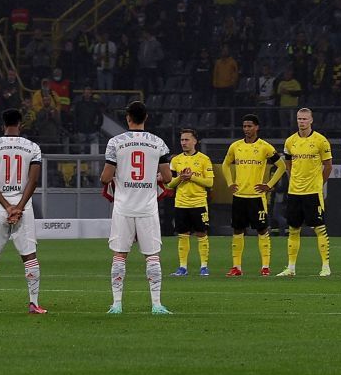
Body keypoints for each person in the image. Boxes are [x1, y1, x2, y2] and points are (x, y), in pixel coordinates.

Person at [101, 100, 172, 314]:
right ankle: (157, 304)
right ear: (146, 118)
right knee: (152, 256)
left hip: (123, 207)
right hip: (147, 207)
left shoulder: (115, 142)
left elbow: (106, 177)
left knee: (120, 255)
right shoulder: (158, 143)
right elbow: (167, 177)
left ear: (127, 118)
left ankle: (117, 304)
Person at [0, 107, 46, 313]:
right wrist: (19, 207)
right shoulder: (33, 147)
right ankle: (34, 303)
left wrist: (7, 206)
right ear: (21, 125)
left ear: (3, 125)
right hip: (23, 207)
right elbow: (33, 181)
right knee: (30, 256)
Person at [265, 107, 332, 277]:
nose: (301, 122)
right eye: (299, 119)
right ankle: (291, 268)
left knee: (319, 228)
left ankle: (325, 266)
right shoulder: (290, 142)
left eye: (304, 119)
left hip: (313, 192)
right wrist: (294, 178)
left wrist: (319, 182)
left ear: (311, 121)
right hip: (294, 192)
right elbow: (288, 164)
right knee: (293, 229)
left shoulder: (320, 141)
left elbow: (328, 165)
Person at [220, 114, 277, 276]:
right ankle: (236, 267)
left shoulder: (265, 147)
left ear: (257, 127)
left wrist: (269, 185)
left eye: (250, 126)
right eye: (244, 126)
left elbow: (280, 166)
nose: (246, 129)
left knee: (262, 230)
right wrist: (230, 183)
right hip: (239, 197)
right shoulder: (236, 146)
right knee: (237, 231)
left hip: (256, 197)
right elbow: (225, 164)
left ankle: (265, 266)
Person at [168, 128, 214, 276]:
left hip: (199, 203)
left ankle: (204, 267)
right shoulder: (176, 160)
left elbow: (209, 182)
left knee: (201, 234)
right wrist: (180, 178)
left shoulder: (204, 159)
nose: (184, 143)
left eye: (187, 139)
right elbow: (169, 184)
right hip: (181, 203)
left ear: (195, 141)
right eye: (182, 140)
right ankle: (183, 267)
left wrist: (191, 177)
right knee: (183, 234)